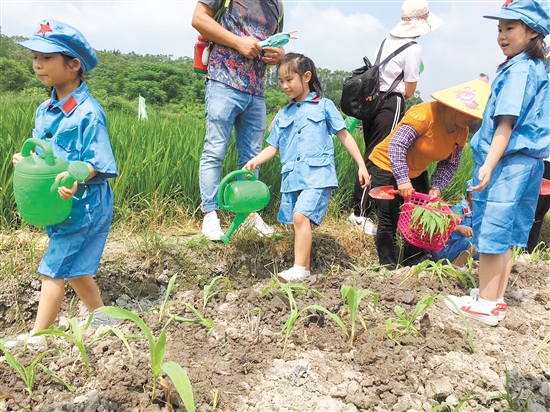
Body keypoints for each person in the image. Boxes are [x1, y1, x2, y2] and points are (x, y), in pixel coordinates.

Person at [6, 20, 117, 347]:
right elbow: (43, 151)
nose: (37, 64)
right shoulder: (45, 109)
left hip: (85, 203)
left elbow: (97, 163)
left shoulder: (88, 113)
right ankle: (103, 318)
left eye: (46, 57)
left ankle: (39, 337)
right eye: (34, 57)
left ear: (73, 65)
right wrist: (26, 160)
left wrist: (74, 174)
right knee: (76, 267)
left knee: (53, 267)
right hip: (58, 202)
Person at [445, 0, 550, 326]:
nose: (502, 36)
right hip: (526, 163)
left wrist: (489, 164)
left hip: (507, 163)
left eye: (510, 28)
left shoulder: (518, 70)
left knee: (490, 233)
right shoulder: (534, 67)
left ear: (532, 31)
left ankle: (487, 305)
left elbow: (505, 123)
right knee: (504, 236)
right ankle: (495, 298)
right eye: (499, 29)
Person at [243, 53, 370, 282]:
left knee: (301, 216)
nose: (284, 86)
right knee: (297, 221)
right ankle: (306, 272)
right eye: (281, 81)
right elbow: (273, 147)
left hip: (318, 175)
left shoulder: (324, 106)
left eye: (289, 80)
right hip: (292, 177)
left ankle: (299, 268)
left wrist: (361, 165)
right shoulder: (284, 114)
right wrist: (254, 161)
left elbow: (344, 135)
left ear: (307, 77)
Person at [368, 78, 490, 270]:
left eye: (476, 117)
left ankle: (413, 260)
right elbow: (397, 145)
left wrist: (437, 187)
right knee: (388, 217)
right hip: (387, 165)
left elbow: (450, 163)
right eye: (470, 115)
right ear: (454, 108)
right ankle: (388, 265)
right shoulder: (424, 115)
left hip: (417, 170)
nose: (473, 121)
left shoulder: (462, 131)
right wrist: (402, 179)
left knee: (423, 214)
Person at [191, 0, 285, 241]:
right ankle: (210, 215)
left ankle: (249, 215)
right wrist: (238, 42)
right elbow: (199, 19)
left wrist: (279, 55)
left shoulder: (278, 5)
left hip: (256, 89)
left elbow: (277, 41)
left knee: (253, 157)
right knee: (215, 150)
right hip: (223, 81)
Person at [349, 0, 441, 235]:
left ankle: (366, 210)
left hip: (372, 101)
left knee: (371, 152)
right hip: (391, 103)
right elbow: (409, 91)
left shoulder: (386, 41)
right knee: (380, 156)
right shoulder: (413, 48)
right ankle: (360, 213)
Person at [527, 46, 550, 253]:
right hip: (539, 147)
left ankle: (528, 252)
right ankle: (523, 251)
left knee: (540, 208)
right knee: (534, 206)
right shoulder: (542, 51)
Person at [431, 179, 478, 266]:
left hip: (458, 248)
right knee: (475, 241)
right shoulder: (458, 210)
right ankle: (453, 267)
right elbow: (441, 227)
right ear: (471, 195)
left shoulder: (475, 211)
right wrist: (459, 228)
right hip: (445, 251)